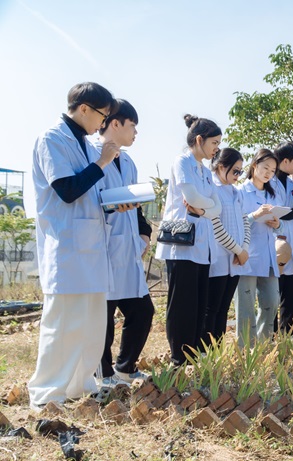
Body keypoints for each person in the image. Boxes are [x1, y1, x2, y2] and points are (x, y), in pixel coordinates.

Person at [27, 82, 120, 410]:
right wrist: (102, 163)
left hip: (90, 248)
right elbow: (67, 190)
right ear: (84, 108)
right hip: (66, 248)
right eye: (102, 115)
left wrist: (115, 203)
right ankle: (47, 394)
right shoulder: (53, 138)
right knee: (63, 324)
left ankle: (79, 386)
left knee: (91, 323)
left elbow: (90, 195)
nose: (103, 124)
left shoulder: (84, 143)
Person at [93, 99, 154, 388]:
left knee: (143, 311)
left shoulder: (127, 160)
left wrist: (144, 233)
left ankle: (125, 367)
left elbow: (136, 203)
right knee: (103, 316)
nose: (135, 133)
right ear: (114, 124)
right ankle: (102, 374)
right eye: (133, 126)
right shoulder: (91, 154)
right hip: (102, 246)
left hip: (127, 248)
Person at [155, 115, 222, 365]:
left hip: (201, 245)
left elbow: (218, 208)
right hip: (181, 244)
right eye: (214, 142)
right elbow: (191, 197)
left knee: (198, 303)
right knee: (182, 304)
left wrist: (204, 210)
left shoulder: (205, 171)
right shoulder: (182, 161)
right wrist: (207, 206)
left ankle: (193, 355)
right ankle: (178, 357)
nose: (216, 148)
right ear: (199, 140)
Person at [202, 148, 250, 346]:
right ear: (221, 167)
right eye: (235, 171)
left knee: (223, 308)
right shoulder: (211, 189)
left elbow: (245, 220)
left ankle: (218, 351)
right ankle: (204, 351)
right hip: (219, 258)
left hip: (237, 259)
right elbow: (216, 226)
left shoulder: (236, 192)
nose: (238, 176)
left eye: (240, 171)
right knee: (211, 309)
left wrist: (244, 248)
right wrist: (238, 250)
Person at [235, 149, 282, 346]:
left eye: (272, 170)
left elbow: (280, 221)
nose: (268, 173)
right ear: (254, 166)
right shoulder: (241, 192)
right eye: (265, 168)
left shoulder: (272, 194)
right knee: (246, 306)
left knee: (271, 302)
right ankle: (246, 348)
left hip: (269, 255)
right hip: (248, 255)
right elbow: (235, 222)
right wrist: (254, 215)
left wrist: (276, 223)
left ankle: (263, 345)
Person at [270, 141, 293, 332]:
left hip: (292, 239)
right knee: (274, 292)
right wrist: (289, 211)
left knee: (292, 292)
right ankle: (272, 334)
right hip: (275, 239)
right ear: (286, 161)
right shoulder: (270, 182)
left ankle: (289, 333)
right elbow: (278, 212)